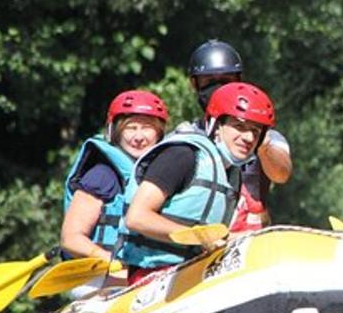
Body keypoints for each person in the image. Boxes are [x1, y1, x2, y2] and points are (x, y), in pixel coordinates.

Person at [116, 82, 276, 283]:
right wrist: (197, 237)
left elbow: (214, 238)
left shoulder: (231, 172)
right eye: (240, 126)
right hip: (151, 274)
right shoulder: (183, 156)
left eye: (256, 130)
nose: (249, 137)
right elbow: (137, 217)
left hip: (193, 272)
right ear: (216, 126)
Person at [179, 39, 292, 233]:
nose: (218, 87)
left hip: (251, 239)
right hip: (204, 242)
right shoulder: (186, 136)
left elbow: (281, 174)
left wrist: (263, 147)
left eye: (226, 79)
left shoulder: (261, 135)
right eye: (209, 81)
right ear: (194, 84)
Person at [61, 90, 169, 263]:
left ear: (159, 134)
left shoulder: (160, 174)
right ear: (115, 132)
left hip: (137, 272)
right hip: (98, 276)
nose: (139, 137)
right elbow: (71, 239)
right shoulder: (102, 175)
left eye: (147, 128)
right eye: (131, 128)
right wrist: (112, 262)